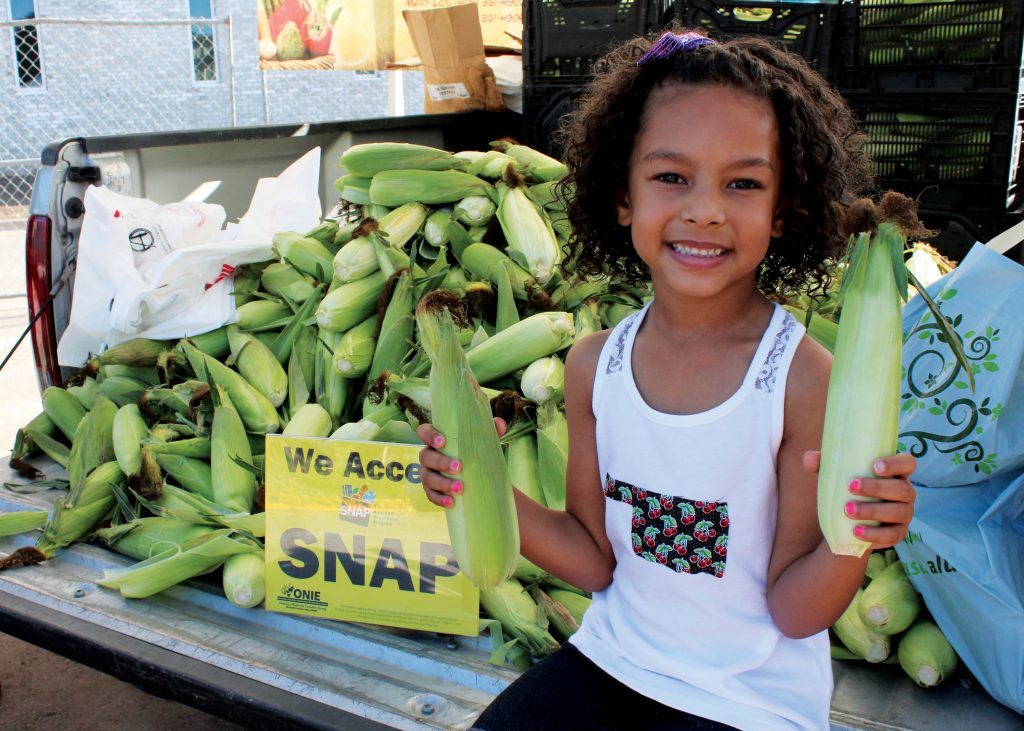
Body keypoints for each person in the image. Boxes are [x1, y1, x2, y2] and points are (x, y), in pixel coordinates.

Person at [417, 28, 917, 731]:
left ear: (783, 210)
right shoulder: (596, 366)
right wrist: (479, 479)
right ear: (623, 196)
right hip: (612, 665)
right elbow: (594, 562)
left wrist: (855, 536)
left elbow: (794, 608)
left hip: (746, 702)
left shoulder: (803, 381)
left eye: (743, 183)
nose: (705, 209)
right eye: (671, 177)